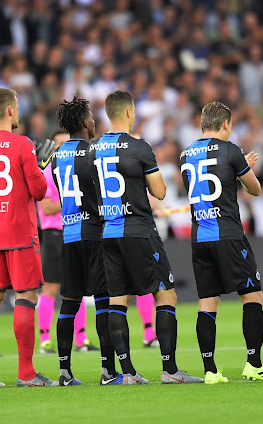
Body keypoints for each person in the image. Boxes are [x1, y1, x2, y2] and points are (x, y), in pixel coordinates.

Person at [89, 90, 202, 385]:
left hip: (108, 232)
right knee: (165, 294)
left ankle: (127, 373)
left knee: (118, 301)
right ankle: (170, 370)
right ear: (129, 112)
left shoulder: (93, 148)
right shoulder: (139, 147)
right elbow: (161, 192)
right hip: (138, 230)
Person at [180, 101, 263, 384]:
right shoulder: (231, 150)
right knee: (253, 296)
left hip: (200, 236)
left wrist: (236, 169)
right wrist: (244, 168)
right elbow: (254, 190)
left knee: (207, 302)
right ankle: (253, 364)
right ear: (225, 125)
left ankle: (210, 371)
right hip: (228, 234)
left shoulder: (186, 155)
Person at [0, 87, 56, 388]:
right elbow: (39, 191)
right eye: (17, 108)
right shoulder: (22, 144)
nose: (18, 113)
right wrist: (42, 168)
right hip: (20, 232)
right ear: (9, 110)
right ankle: (27, 372)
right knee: (26, 296)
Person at [51, 96, 117, 386]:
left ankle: (65, 372)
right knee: (103, 300)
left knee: (69, 302)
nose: (94, 119)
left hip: (69, 233)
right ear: (84, 123)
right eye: (91, 115)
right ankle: (107, 372)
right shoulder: (94, 153)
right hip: (93, 232)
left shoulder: (56, 156)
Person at [37, 130, 97, 356]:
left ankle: (81, 338)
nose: (65, 148)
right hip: (54, 234)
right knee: (51, 287)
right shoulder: (49, 172)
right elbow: (46, 207)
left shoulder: (76, 168)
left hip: (74, 230)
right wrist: (75, 199)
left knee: (79, 287)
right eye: (60, 144)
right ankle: (44, 339)